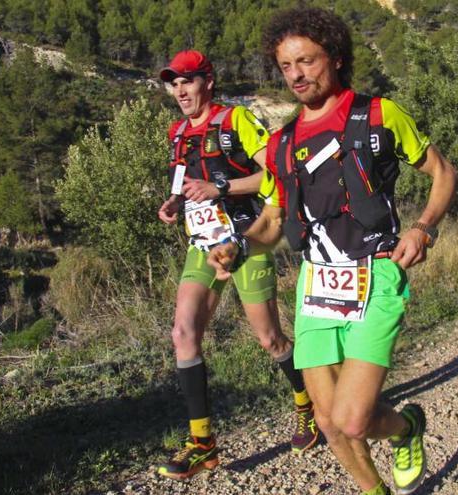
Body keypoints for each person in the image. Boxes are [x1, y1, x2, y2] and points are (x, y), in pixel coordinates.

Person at [208, 8, 458, 495]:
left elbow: (443, 173)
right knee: (327, 420)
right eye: (286, 66)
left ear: (337, 58)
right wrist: (237, 245)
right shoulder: (280, 144)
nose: (296, 74)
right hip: (315, 283)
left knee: (352, 417)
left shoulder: (379, 115)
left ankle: (407, 428)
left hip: (377, 274)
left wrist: (423, 229)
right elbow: (272, 223)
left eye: (307, 60)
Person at [155, 49, 318, 480]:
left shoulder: (235, 122)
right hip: (201, 244)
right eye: (174, 83)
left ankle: (307, 405)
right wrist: (174, 202)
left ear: (207, 81)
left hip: (245, 241)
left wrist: (219, 187)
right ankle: (203, 444)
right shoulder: (178, 132)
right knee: (183, 332)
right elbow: (181, 179)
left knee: (269, 340)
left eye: (187, 81)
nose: (180, 91)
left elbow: (275, 174)